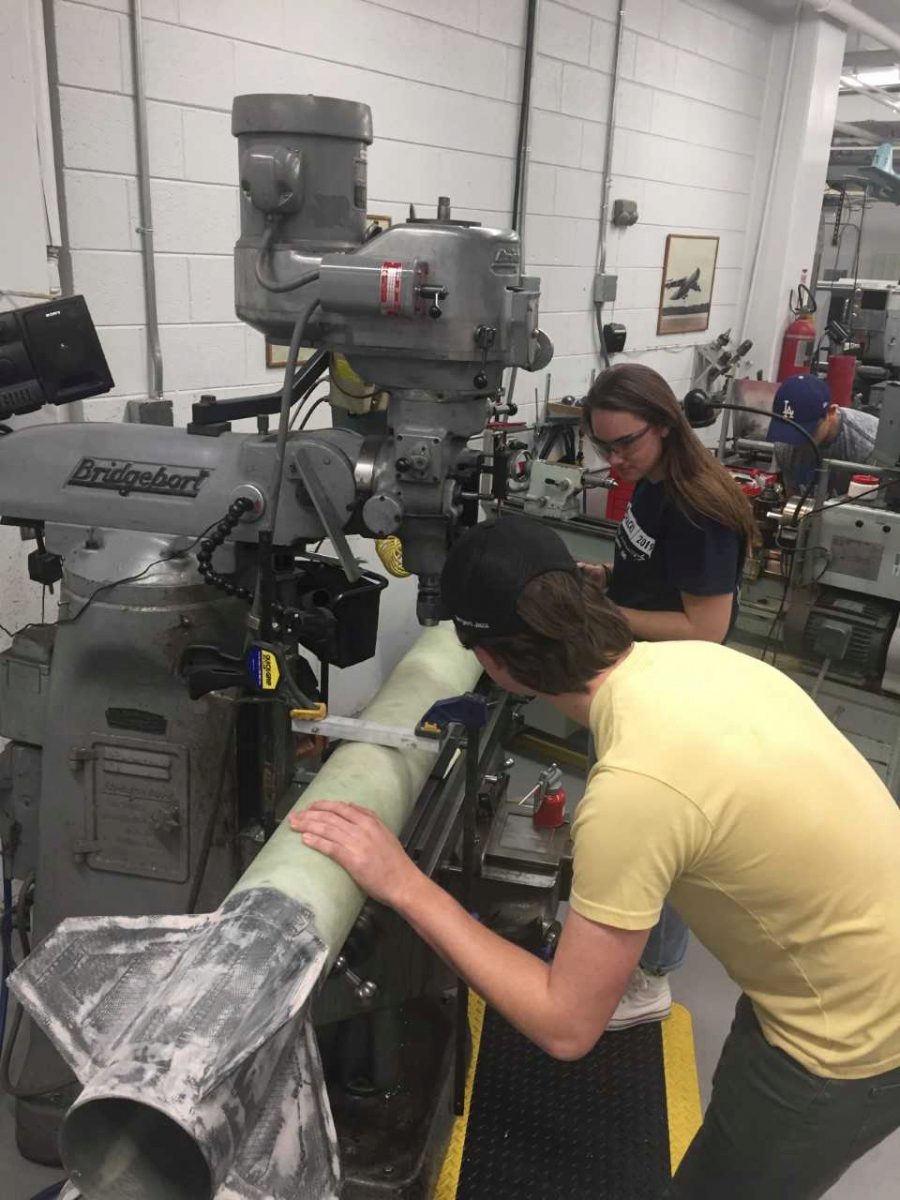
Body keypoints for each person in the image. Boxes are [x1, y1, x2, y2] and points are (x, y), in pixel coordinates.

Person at [291, 515, 900, 1199]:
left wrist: (404, 883)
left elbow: (566, 1025)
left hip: (848, 1046)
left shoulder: (633, 789)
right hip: (843, 974)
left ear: (492, 665)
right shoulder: (702, 662)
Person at [579, 363, 759, 1030]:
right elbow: (650, 574)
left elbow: (705, 630)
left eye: (625, 443)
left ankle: (652, 978)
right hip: (642, 673)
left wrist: (606, 619)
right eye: (605, 447)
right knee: (635, 826)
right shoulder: (650, 485)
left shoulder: (696, 506)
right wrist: (606, 581)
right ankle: (629, 951)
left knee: (660, 834)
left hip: (679, 687)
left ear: (663, 425)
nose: (615, 459)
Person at [767, 373, 878, 497]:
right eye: (790, 432)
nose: (796, 441)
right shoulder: (785, 443)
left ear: (830, 412)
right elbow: (792, 499)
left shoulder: (869, 446)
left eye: (806, 431)